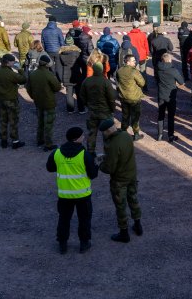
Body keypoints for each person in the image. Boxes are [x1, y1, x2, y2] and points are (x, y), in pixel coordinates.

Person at [46, 126, 99, 254]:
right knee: (84, 219)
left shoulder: (57, 153)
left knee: (64, 219)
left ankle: (62, 244)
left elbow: (50, 168)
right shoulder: (84, 155)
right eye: (82, 136)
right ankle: (84, 243)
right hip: (83, 195)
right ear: (77, 139)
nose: (84, 137)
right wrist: (96, 164)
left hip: (64, 195)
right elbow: (93, 174)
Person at [98, 119, 143, 242]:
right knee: (133, 199)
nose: (103, 135)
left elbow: (110, 168)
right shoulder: (125, 135)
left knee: (120, 205)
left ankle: (124, 233)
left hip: (119, 180)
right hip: (132, 175)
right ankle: (138, 226)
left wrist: (100, 165)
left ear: (108, 131)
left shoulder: (112, 144)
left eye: (104, 132)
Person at [0, 53, 27, 149]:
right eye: (13, 61)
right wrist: (20, 70)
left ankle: (3, 141)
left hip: (1, 100)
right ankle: (15, 141)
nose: (14, 63)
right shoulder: (11, 74)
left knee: (3, 121)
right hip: (12, 100)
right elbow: (23, 80)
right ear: (8, 63)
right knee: (13, 121)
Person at [79, 62, 117, 154]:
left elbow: (82, 96)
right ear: (101, 70)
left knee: (91, 133)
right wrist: (112, 109)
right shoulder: (105, 81)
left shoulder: (86, 81)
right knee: (107, 134)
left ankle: (91, 153)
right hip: (105, 112)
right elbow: (111, 98)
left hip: (92, 112)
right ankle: (108, 153)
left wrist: (87, 105)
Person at [26, 55, 62, 150]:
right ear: (47, 64)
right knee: (48, 123)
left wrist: (33, 97)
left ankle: (39, 140)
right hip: (49, 101)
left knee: (40, 122)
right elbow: (57, 87)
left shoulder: (33, 74)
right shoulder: (49, 74)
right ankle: (48, 144)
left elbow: (28, 88)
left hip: (38, 102)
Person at [116, 54, 146, 141]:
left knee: (125, 115)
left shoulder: (120, 70)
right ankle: (136, 134)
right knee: (135, 116)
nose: (135, 62)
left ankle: (123, 132)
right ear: (128, 62)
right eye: (133, 61)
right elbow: (142, 83)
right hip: (134, 97)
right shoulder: (134, 71)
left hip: (123, 97)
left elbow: (118, 80)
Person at [156, 53, 184, 142]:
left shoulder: (158, 68)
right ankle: (170, 136)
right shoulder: (173, 70)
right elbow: (181, 82)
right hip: (170, 96)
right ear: (169, 60)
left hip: (161, 94)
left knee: (161, 115)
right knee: (171, 116)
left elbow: (157, 79)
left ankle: (160, 134)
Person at [56, 35, 86, 114]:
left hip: (66, 75)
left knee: (69, 94)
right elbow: (83, 65)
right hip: (77, 75)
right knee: (79, 93)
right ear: (72, 42)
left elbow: (58, 67)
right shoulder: (77, 52)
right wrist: (83, 75)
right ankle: (81, 109)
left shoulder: (60, 53)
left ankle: (70, 109)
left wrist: (60, 78)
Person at [129, 20, 151, 85]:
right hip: (142, 56)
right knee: (143, 71)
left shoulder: (129, 35)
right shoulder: (143, 35)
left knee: (134, 72)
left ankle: (136, 86)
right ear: (138, 27)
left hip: (133, 57)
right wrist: (147, 54)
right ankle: (145, 86)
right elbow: (146, 45)